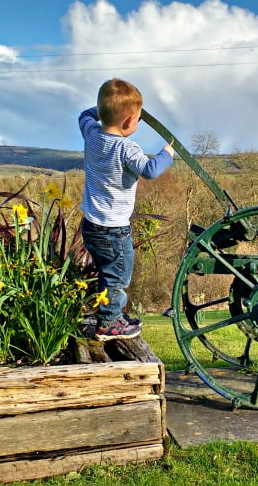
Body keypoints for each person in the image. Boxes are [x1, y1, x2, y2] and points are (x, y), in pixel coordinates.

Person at [79, 78, 175, 341]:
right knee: (117, 277)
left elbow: (84, 116)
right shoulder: (125, 148)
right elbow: (151, 170)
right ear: (130, 121)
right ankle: (109, 323)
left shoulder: (92, 135)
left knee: (107, 272)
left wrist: (102, 110)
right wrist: (167, 153)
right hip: (113, 230)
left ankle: (114, 314)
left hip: (90, 224)